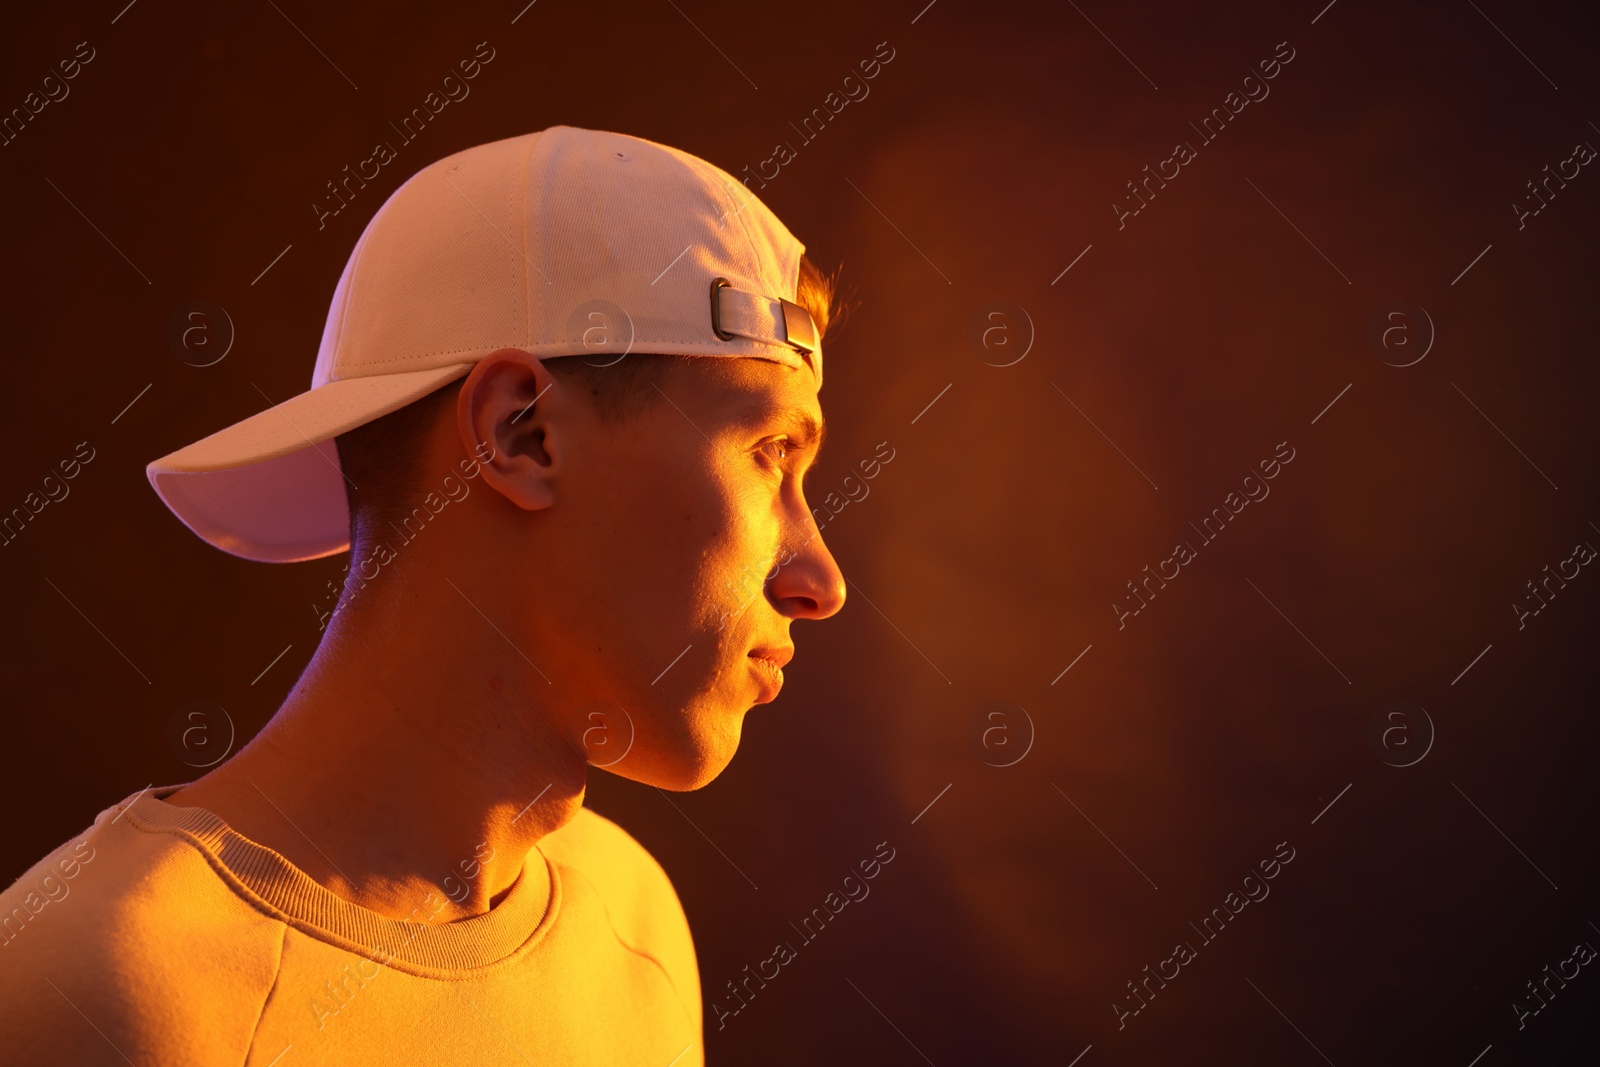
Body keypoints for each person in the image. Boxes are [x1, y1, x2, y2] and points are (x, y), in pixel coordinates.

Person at [0, 124, 847, 1065]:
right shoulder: (99, 995)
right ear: (521, 433)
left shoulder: (631, 920)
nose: (821, 580)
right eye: (771, 451)